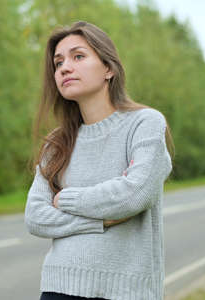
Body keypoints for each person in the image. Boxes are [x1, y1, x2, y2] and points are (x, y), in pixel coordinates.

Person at [24, 21, 174, 300]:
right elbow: (35, 216)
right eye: (58, 63)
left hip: (127, 291)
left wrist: (65, 199)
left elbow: (135, 194)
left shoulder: (144, 123)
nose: (65, 68)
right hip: (59, 287)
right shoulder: (57, 143)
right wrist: (101, 221)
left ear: (109, 68)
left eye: (78, 56)